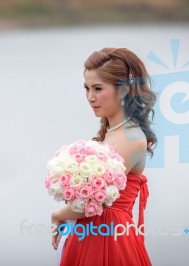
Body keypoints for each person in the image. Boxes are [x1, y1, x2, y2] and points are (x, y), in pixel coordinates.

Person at [51, 48, 157, 266]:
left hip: (109, 239)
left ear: (125, 90)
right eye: (87, 89)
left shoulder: (131, 138)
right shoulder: (111, 132)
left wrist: (59, 214)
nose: (90, 97)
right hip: (90, 232)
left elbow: (97, 201)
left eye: (98, 89)